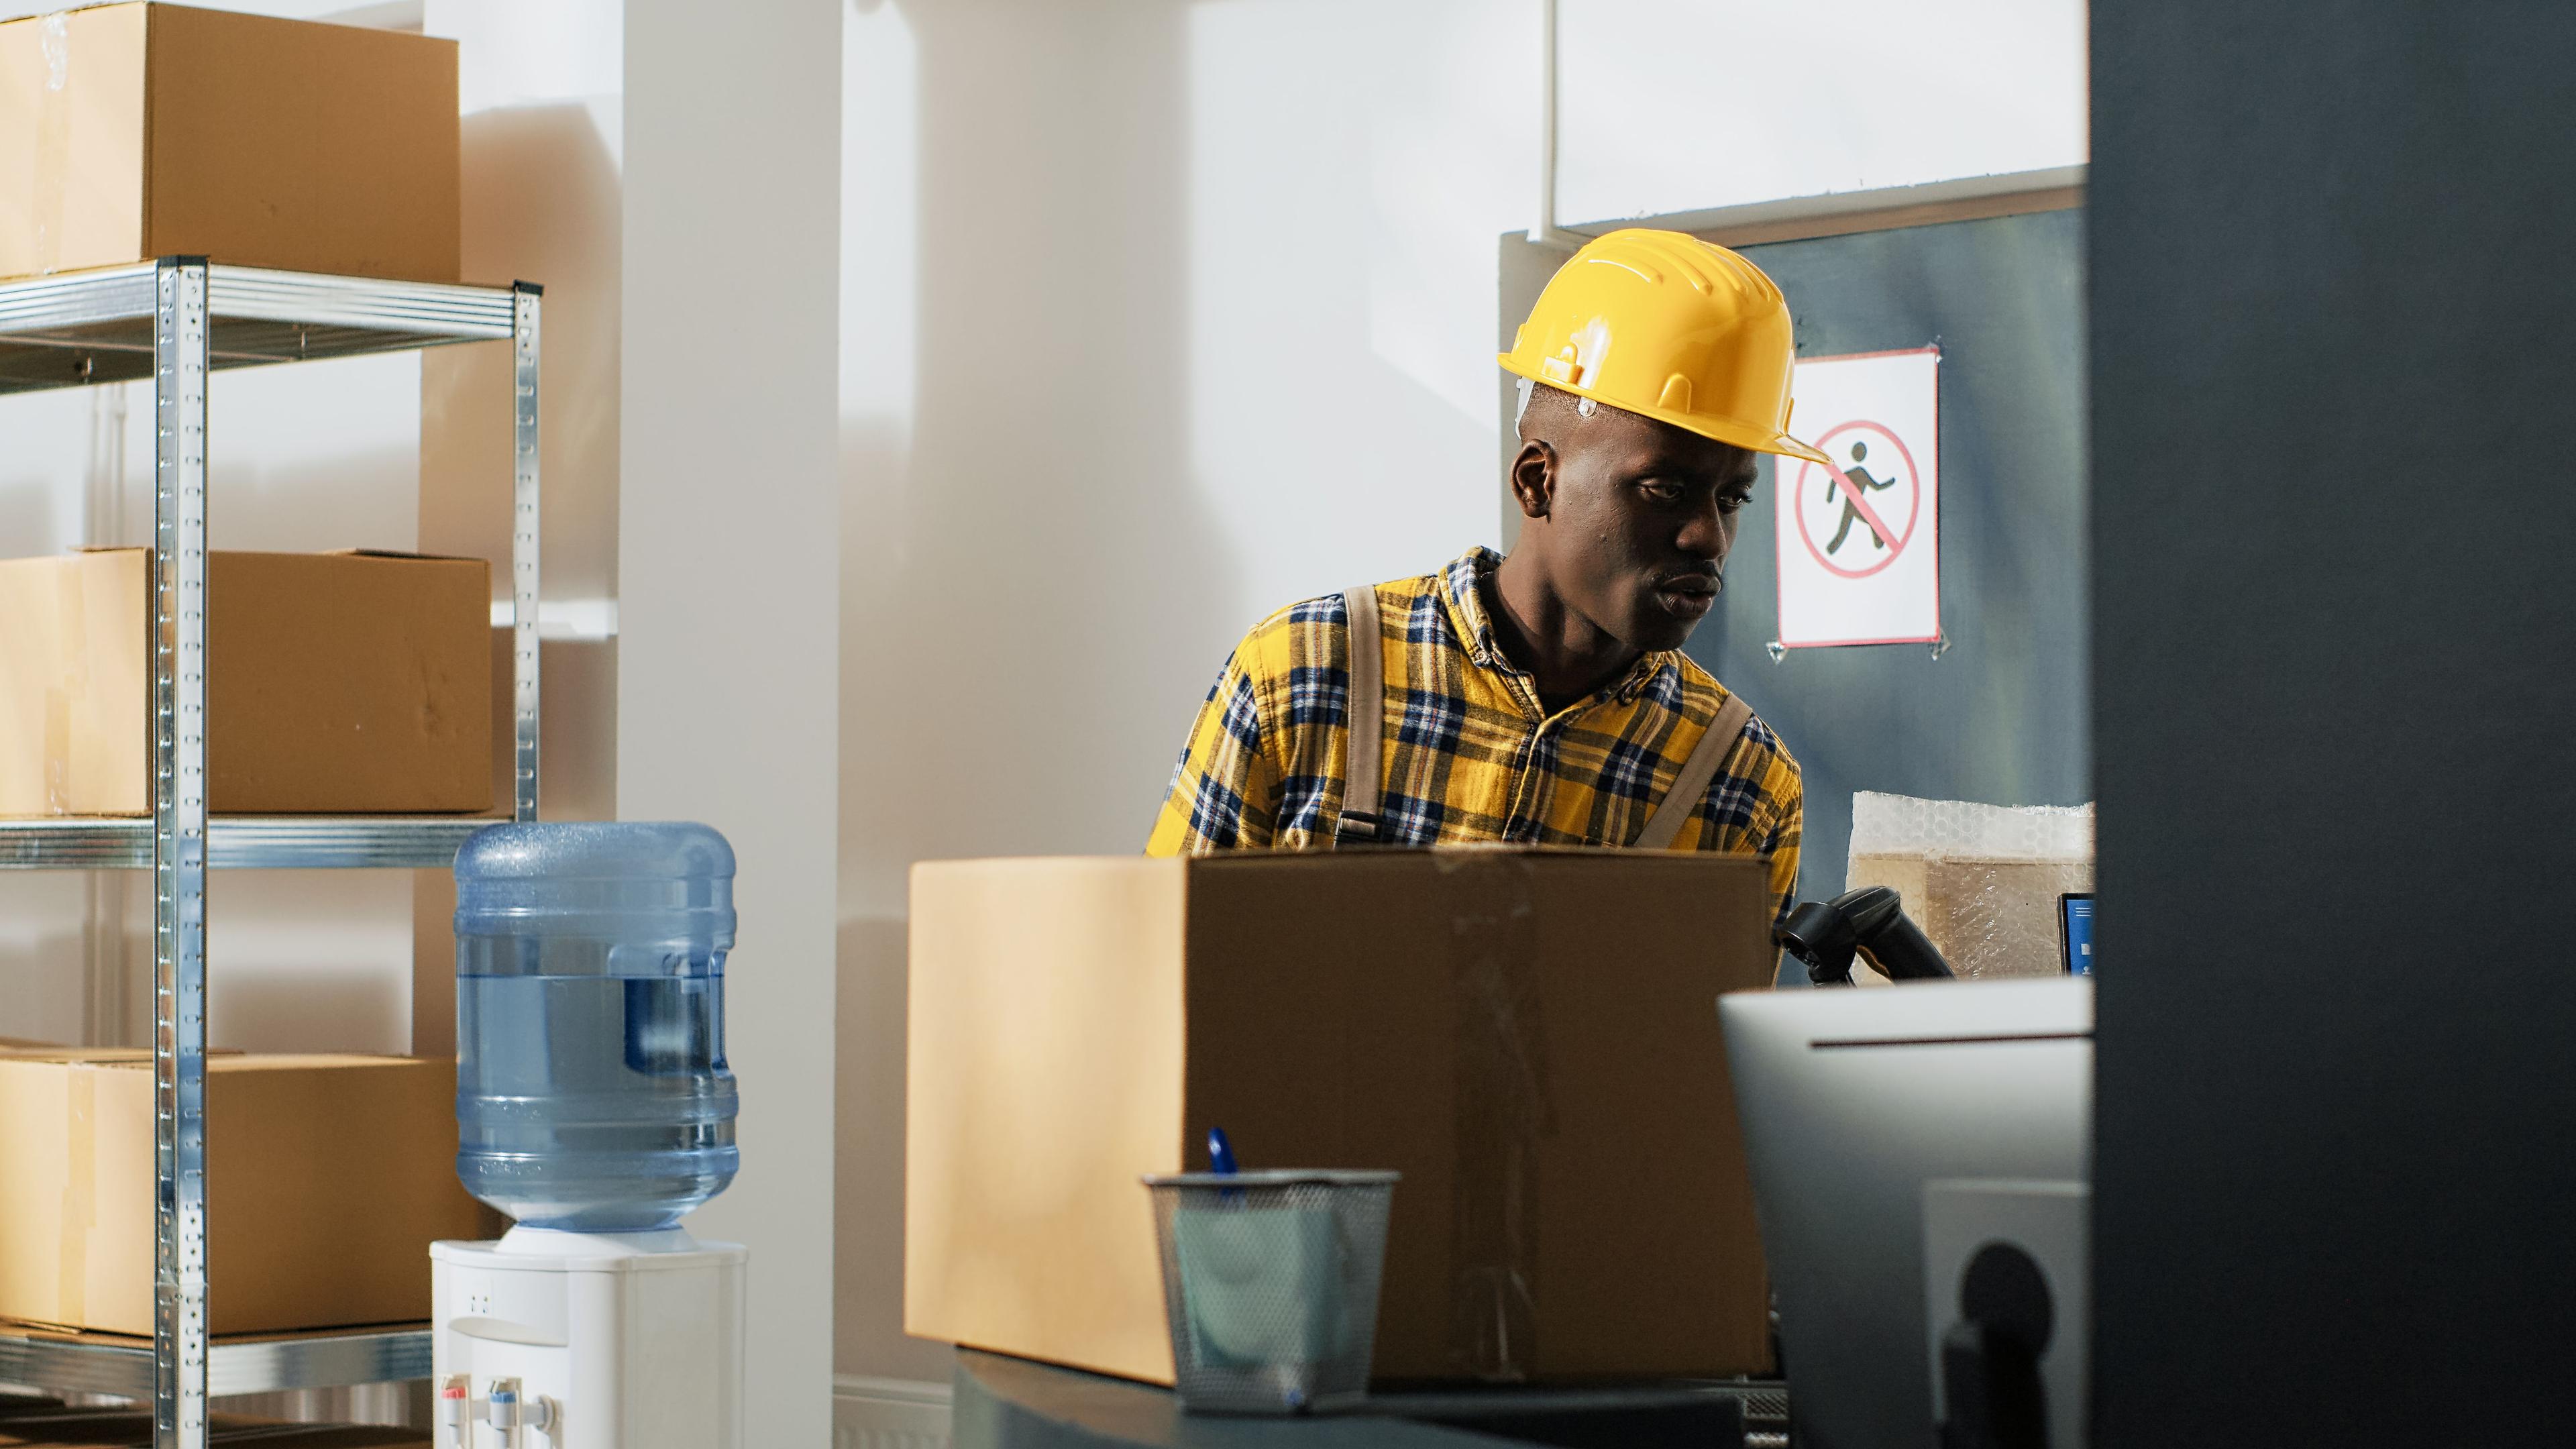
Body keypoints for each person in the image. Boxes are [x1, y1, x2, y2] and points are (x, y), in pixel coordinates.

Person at [1146, 229, 1822, 930]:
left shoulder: (1742, 779)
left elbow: (1697, 1042)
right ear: (1538, 482)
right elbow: (1151, 978)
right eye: (1664, 489)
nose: (1709, 536)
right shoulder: (1306, 675)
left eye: (1731, 498)